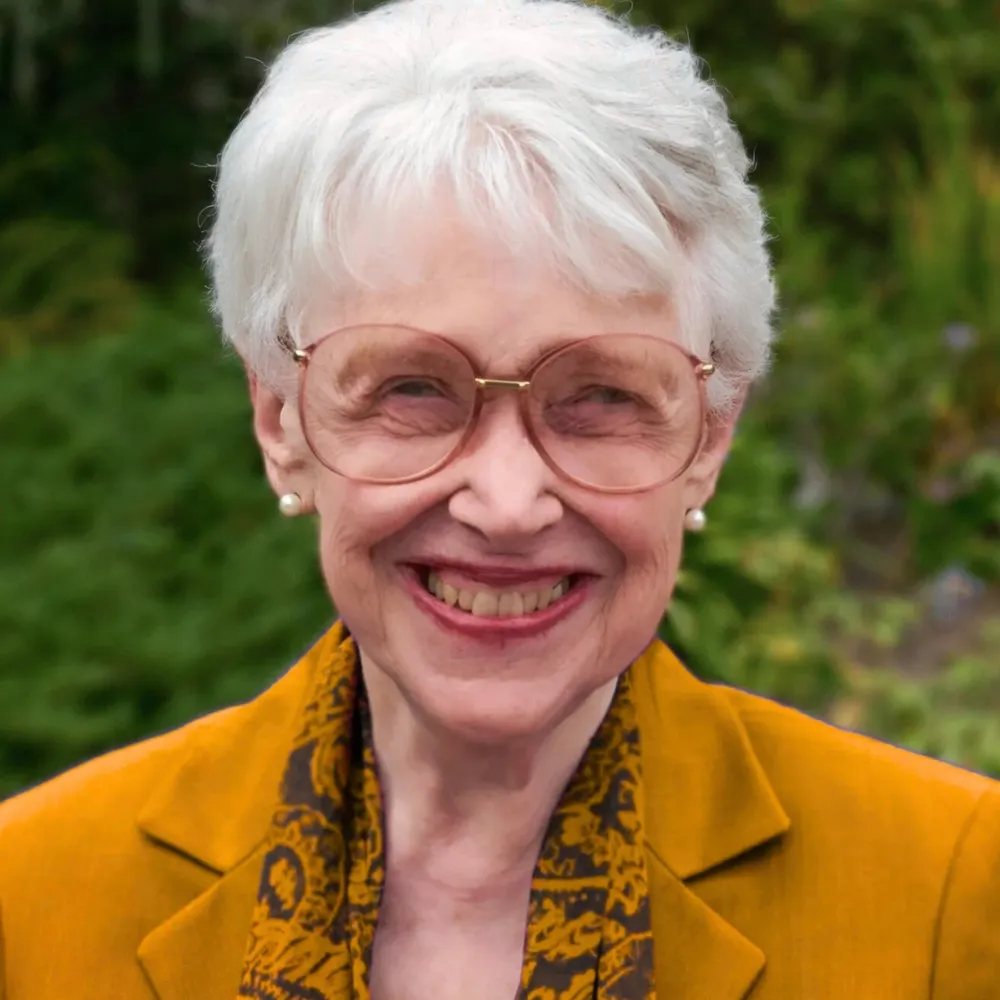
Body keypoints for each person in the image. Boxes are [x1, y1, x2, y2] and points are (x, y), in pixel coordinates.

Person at [1, 0, 998, 997]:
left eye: (601, 397)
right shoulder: (32, 893)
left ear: (709, 438)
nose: (509, 503)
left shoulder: (947, 888)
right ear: (280, 422)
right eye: (414, 389)